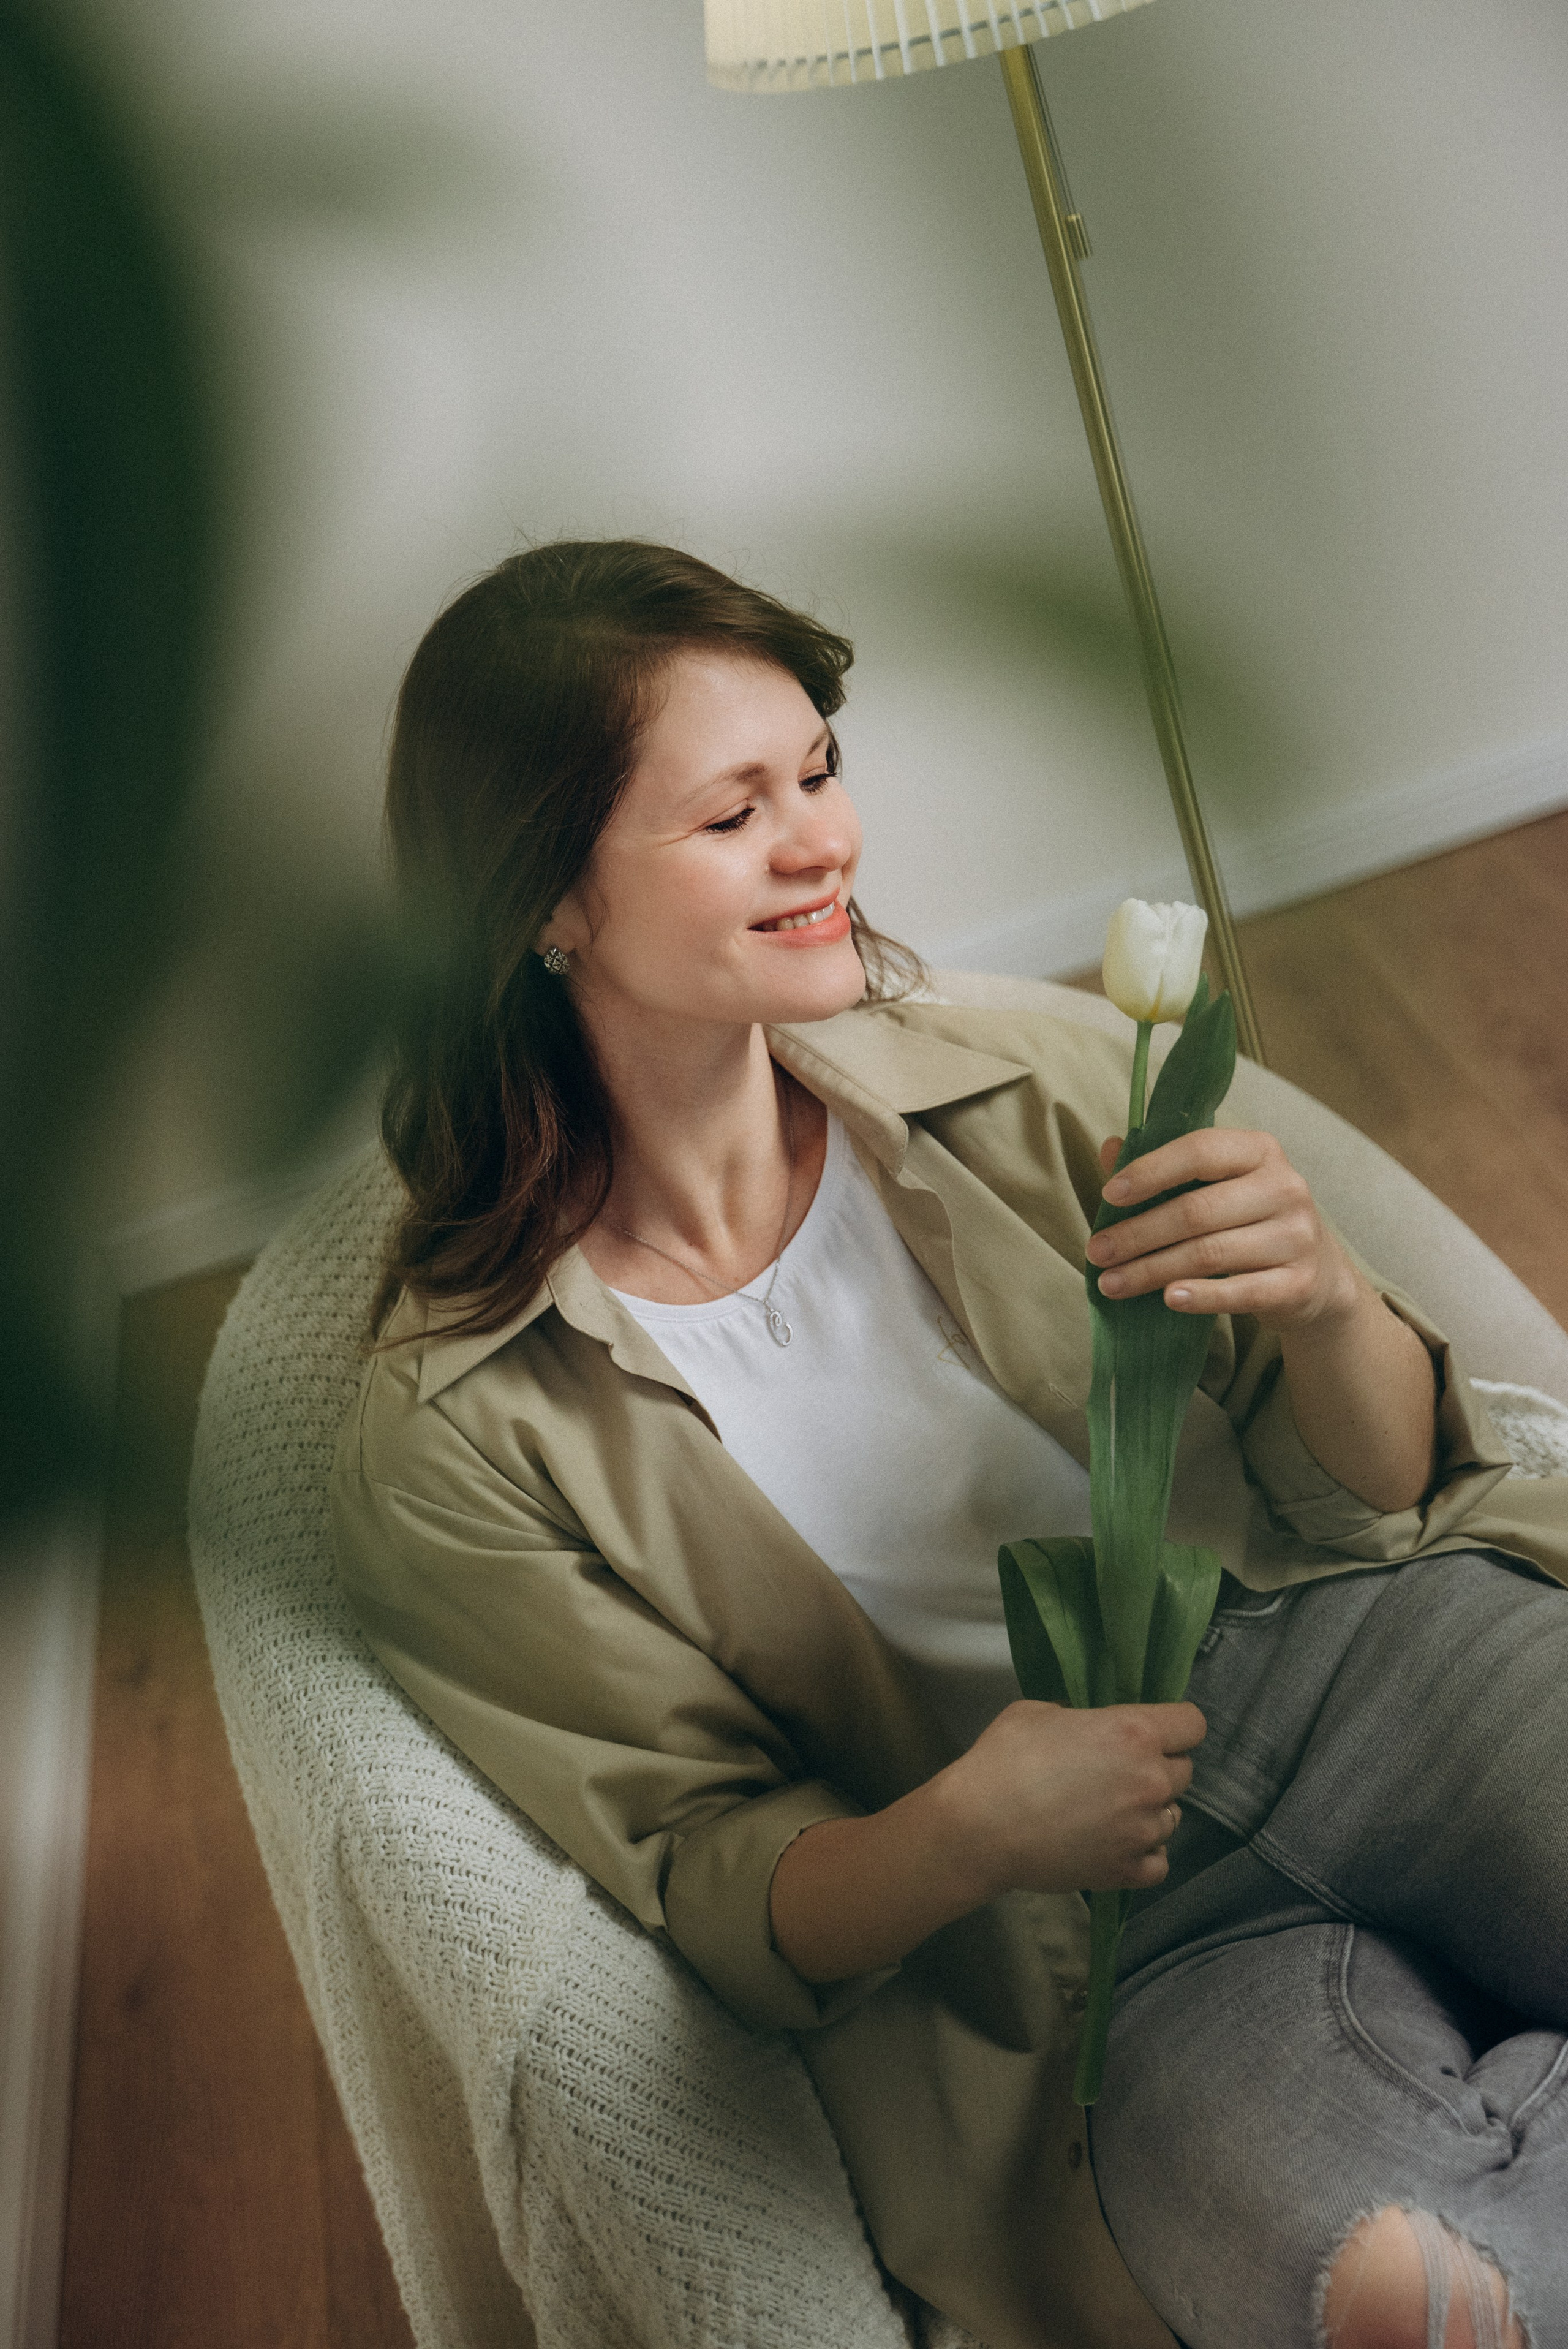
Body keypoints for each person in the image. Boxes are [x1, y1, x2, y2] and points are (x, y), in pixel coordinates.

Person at [331, 539, 1568, 2349]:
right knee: (1403, 2314)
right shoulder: (458, 1431)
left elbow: (1391, 1488)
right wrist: (969, 1825)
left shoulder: (1018, 1084)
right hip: (1105, 1949)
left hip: (1369, 1666)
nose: (824, 840)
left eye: (818, 771)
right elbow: (712, 1876)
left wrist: (1322, 1306)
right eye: (732, 812)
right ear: (543, 901)